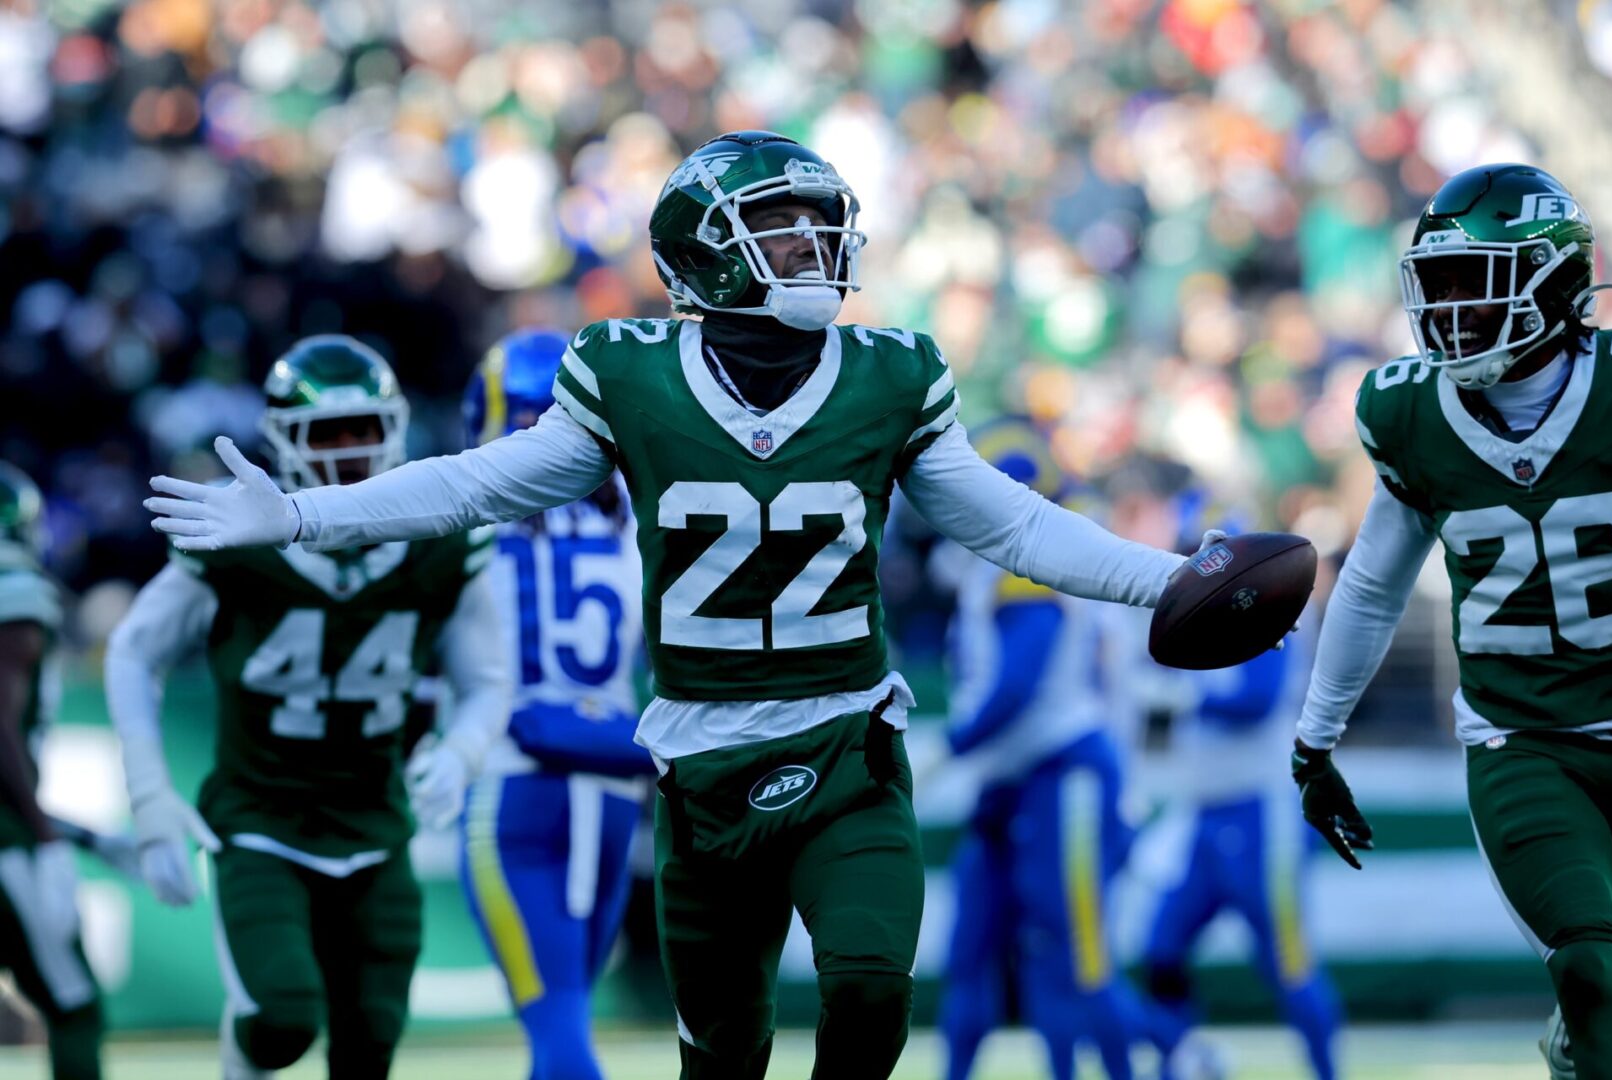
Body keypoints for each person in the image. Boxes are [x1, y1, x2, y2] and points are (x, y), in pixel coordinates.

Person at [141, 131, 1250, 1080]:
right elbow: (477, 484)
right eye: (782, 224)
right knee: (722, 1050)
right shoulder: (630, 371)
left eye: (820, 223)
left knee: (871, 991)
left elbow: (1015, 527)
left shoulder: (892, 372)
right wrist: (303, 515)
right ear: (704, 248)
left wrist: (1168, 578)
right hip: (699, 761)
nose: (814, 245)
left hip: (847, 743)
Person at [1287, 162, 1612, 1080]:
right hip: (1527, 743)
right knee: (1594, 970)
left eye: (1476, 283)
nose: (1451, 311)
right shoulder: (1411, 413)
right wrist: (1315, 741)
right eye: (1438, 287)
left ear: (1555, 281)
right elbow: (1371, 586)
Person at [106, 336, 510, 1080]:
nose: (350, 450)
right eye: (328, 432)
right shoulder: (237, 535)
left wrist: (463, 750)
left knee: (371, 1043)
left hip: (376, 823)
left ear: (394, 429)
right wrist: (149, 792)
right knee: (281, 1021)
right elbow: (134, 651)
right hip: (262, 820)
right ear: (284, 441)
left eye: (364, 428)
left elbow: (486, 677)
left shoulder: (440, 541)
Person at [458, 329, 653, 1080]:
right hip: (612, 783)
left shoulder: (466, 504)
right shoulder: (634, 510)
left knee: (559, 1029)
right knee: (562, 1023)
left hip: (515, 784)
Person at [935, 419, 1155, 1080]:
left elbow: (1017, 683)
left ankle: (1153, 1060)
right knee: (974, 951)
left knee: (1075, 956)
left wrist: (949, 747)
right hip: (1010, 777)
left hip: (1061, 771)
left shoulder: (1023, 559)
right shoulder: (993, 564)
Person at [1132, 496, 1339, 1080]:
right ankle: (1181, 1062)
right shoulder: (1195, 616)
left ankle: (1327, 1071)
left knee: (1288, 964)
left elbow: (1256, 699)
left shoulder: (1268, 604)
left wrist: (1184, 695)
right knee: (1161, 951)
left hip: (1261, 810)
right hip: (1200, 813)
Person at [0, 462, 138, 1080]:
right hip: (9, 846)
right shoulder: (15, 590)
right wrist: (46, 837)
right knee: (74, 1006)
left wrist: (82, 836)